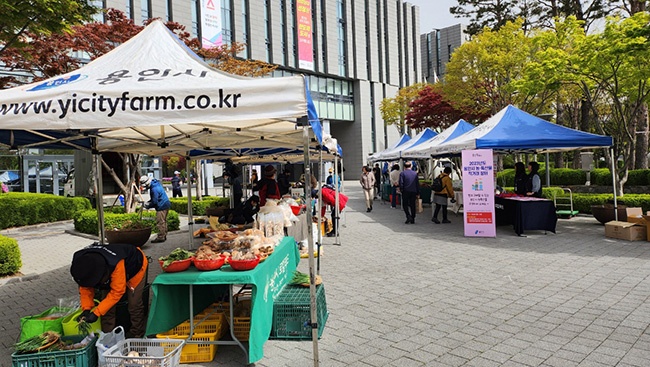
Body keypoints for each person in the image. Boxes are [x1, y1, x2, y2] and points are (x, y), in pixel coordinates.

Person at [70, 243, 148, 337]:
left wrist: (96, 313)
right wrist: (86, 308)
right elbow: (85, 288)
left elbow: (117, 291)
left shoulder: (116, 263)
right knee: (107, 308)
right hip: (108, 271)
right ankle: (107, 336)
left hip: (135, 267)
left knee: (134, 304)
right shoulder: (83, 265)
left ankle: (137, 333)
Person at [140, 175, 171, 243]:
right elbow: (155, 199)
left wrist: (147, 206)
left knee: (160, 222)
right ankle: (164, 235)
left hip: (162, 206)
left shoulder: (154, 189)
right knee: (164, 221)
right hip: (166, 204)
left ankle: (161, 237)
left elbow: (154, 201)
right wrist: (148, 202)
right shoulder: (155, 184)